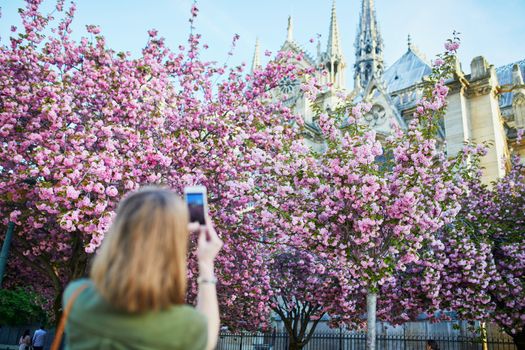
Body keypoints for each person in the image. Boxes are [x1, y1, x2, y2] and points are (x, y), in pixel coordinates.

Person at [62, 187, 223, 350]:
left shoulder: (76, 296)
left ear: (117, 235)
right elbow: (207, 339)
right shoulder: (182, 326)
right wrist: (206, 262)